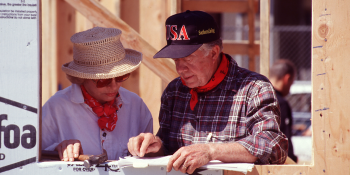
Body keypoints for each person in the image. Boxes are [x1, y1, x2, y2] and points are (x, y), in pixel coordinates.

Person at [128, 10, 288, 174]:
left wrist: (212, 151)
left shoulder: (254, 88)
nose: (180, 69)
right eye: (176, 60)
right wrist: (155, 147)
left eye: (188, 58)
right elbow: (169, 149)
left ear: (213, 52)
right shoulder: (174, 91)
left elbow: (273, 146)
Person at [42, 27, 153, 161]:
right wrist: (57, 149)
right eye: (103, 80)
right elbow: (33, 158)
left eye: (120, 77)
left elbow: (152, 161)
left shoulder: (136, 105)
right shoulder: (56, 107)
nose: (114, 85)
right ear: (82, 78)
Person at [269, 59, 298, 163]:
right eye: (292, 82)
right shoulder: (280, 103)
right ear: (287, 78)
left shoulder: (258, 98)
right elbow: (284, 140)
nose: (290, 88)